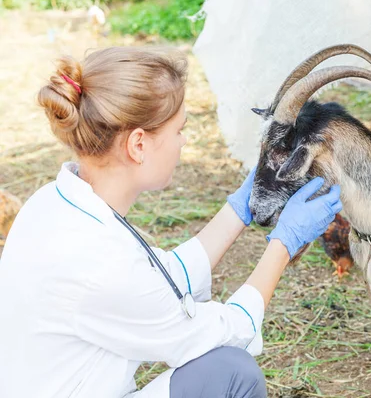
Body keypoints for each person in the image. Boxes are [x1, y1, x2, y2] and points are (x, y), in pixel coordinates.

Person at [0, 46, 342, 398]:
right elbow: (228, 330)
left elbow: (161, 277)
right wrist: (284, 242)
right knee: (232, 374)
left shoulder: (54, 203)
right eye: (179, 130)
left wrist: (241, 208)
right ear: (138, 145)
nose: (183, 142)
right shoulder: (100, 267)